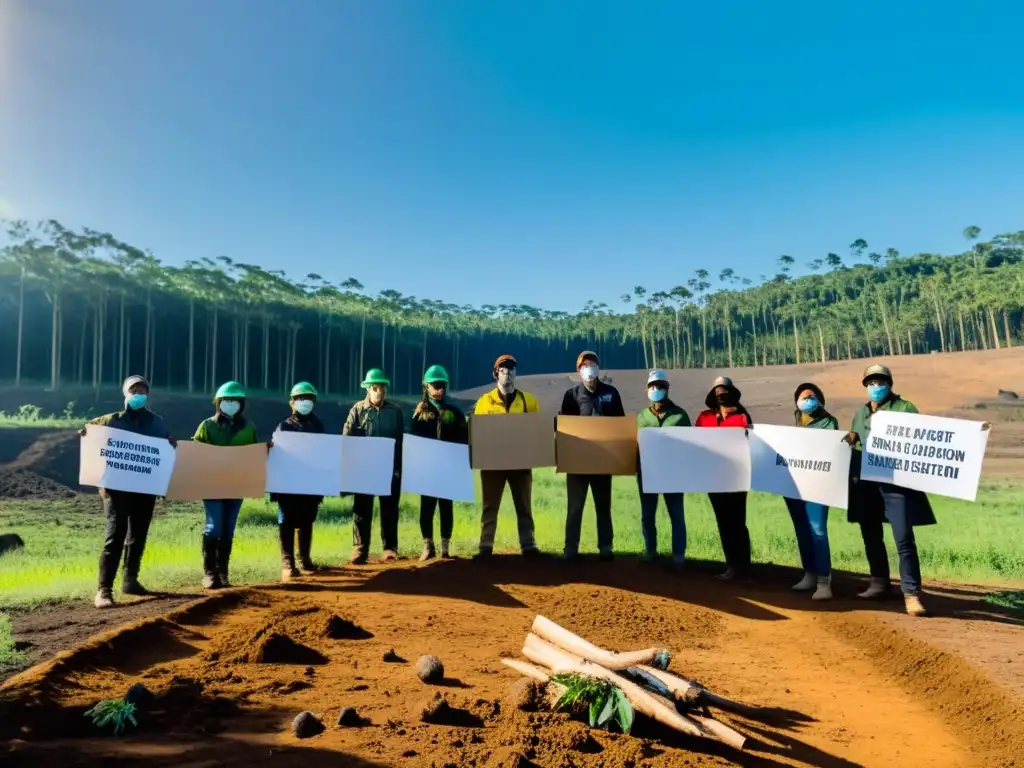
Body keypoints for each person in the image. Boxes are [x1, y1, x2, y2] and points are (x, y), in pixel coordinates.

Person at [843, 364, 934, 617]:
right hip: (867, 483)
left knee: (903, 537)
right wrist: (851, 438)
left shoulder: (905, 408)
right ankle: (879, 583)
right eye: (871, 383)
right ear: (865, 386)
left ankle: (911, 594)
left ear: (889, 384)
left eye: (880, 382)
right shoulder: (860, 413)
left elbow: (921, 438)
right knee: (871, 534)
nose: (876, 387)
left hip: (895, 483)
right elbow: (856, 437)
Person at [81, 375, 176, 609]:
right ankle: (104, 590)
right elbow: (89, 434)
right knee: (116, 533)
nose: (138, 394)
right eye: (134, 390)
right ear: (125, 393)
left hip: (145, 488)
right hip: (116, 488)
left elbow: (164, 446)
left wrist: (170, 445)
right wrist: (85, 434)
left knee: (138, 534)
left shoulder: (156, 422)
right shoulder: (109, 420)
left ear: (148, 395)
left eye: (142, 391)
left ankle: (130, 581)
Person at [192, 380, 260, 590]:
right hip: (212, 484)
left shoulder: (248, 428)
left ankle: (223, 572)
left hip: (236, 485)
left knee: (228, 529)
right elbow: (196, 453)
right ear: (218, 402)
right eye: (226, 400)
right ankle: (209, 573)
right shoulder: (207, 426)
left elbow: (253, 454)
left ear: (241, 404)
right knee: (214, 527)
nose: (230, 403)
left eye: (235, 400)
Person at [472, 354, 542, 558]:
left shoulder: (529, 401)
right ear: (496, 374)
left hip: (521, 463)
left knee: (524, 505)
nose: (508, 373)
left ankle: (528, 544)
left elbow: (538, 430)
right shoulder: (485, 402)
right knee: (490, 505)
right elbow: (478, 433)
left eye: (511, 369)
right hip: (492, 465)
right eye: (503, 369)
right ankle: (485, 546)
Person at [558, 351, 625, 561]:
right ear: (578, 370)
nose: (589, 369)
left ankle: (605, 547)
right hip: (577, 463)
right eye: (585, 366)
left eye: (593, 365)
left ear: (598, 369)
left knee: (603, 507)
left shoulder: (611, 393)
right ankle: (570, 548)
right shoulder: (571, 395)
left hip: (603, 461)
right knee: (575, 507)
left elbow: (620, 425)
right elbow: (564, 428)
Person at [344, 368, 405, 564]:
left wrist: (399, 468)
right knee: (361, 509)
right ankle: (360, 548)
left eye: (382, 388)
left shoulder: (395, 412)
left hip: (390, 468)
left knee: (390, 509)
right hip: (364, 470)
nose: (379, 392)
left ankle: (389, 548)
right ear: (367, 389)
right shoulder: (357, 410)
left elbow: (402, 440)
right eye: (375, 388)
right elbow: (347, 439)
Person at [695, 376, 753, 580]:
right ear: (713, 396)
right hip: (713, 479)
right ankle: (731, 565)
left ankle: (744, 565)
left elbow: (751, 442)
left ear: (733, 394)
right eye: (718, 393)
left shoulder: (743, 417)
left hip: (737, 478)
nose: (722, 396)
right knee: (723, 522)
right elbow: (696, 443)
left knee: (738, 522)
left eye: (725, 392)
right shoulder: (704, 417)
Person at [409, 364, 468, 560]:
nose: (439, 390)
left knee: (446, 506)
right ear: (426, 387)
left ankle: (445, 548)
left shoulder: (455, 413)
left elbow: (464, 439)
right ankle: (427, 546)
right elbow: (414, 441)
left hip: (448, 469)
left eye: (442, 386)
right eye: (435, 386)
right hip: (428, 469)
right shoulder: (419, 414)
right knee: (427, 507)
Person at [786, 383, 838, 601]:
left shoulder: (829, 422)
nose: (807, 400)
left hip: (819, 486)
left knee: (817, 530)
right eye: (802, 397)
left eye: (811, 397)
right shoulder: (798, 422)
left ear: (820, 400)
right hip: (796, 485)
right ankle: (809, 573)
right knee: (802, 528)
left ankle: (824, 581)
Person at [271, 382, 325, 582]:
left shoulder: (318, 426)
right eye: (301, 398)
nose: (305, 402)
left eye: (309, 398)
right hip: (288, 485)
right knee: (286, 519)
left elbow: (324, 453)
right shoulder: (284, 426)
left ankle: (305, 559)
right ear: (292, 402)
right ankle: (288, 563)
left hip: (310, 483)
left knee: (307, 518)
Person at [636, 370, 690, 567]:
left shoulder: (680, 416)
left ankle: (679, 555)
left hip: (673, 474)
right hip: (647, 473)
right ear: (647, 390)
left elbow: (690, 445)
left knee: (676, 515)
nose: (656, 389)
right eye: (652, 386)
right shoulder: (641, 417)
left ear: (667, 389)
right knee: (647, 514)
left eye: (659, 386)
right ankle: (650, 551)